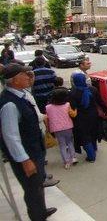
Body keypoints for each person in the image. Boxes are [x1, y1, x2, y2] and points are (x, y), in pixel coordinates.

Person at [0, 64, 57, 220]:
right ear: (15, 80)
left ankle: (42, 210)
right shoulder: (10, 104)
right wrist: (24, 160)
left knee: (37, 185)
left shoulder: (21, 93)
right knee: (32, 189)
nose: (28, 77)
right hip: (27, 155)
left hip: (35, 149)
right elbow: (11, 137)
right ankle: (37, 216)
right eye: (25, 75)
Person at [69, 72, 107, 162]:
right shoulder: (93, 89)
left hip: (81, 118)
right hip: (93, 116)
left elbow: (72, 107)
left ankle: (91, 156)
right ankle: (94, 148)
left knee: (85, 136)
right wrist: (105, 110)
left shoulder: (72, 93)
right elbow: (100, 102)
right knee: (93, 132)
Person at [45, 88, 76, 170]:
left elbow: (47, 118)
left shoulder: (48, 107)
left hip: (56, 128)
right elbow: (72, 114)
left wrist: (48, 129)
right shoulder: (67, 105)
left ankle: (66, 162)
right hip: (68, 126)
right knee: (70, 142)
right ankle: (73, 157)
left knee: (62, 145)